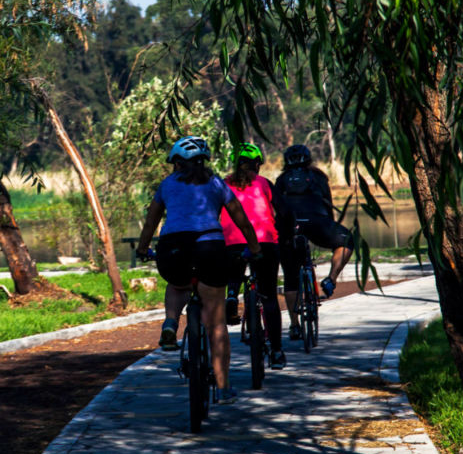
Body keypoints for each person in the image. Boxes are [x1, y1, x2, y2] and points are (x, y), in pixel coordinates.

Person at [136, 136, 261, 404]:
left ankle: (170, 323)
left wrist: (142, 249)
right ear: (204, 162)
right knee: (216, 324)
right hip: (211, 248)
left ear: (177, 163)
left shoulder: (167, 185)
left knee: (177, 283)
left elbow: (150, 223)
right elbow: (242, 220)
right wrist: (255, 248)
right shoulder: (217, 183)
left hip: (173, 249)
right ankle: (224, 387)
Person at [220, 143, 288, 370]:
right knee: (268, 296)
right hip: (265, 243)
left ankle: (231, 294)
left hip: (231, 242)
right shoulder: (265, 183)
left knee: (233, 270)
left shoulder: (221, 184)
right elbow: (285, 213)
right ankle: (277, 352)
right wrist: (286, 235)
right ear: (257, 164)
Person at [274, 143, 352, 339]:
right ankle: (331, 279)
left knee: (291, 278)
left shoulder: (281, 179)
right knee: (347, 241)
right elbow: (328, 204)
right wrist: (331, 228)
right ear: (309, 159)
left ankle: (294, 325)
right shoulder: (318, 177)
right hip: (318, 223)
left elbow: (275, 208)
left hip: (290, 228)